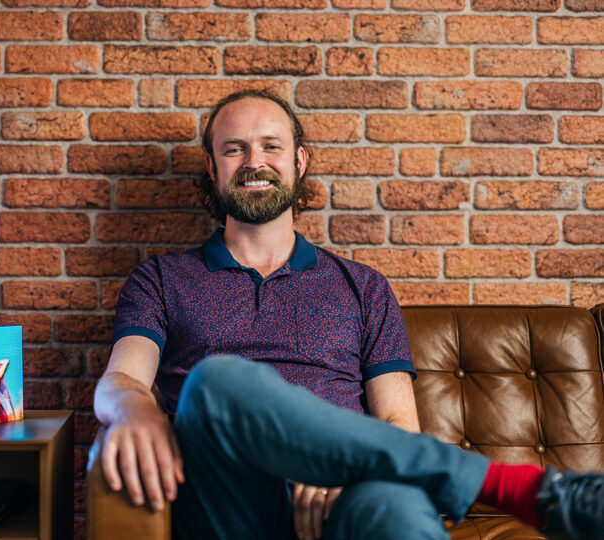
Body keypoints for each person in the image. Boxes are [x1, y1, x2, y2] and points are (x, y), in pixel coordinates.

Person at [93, 90, 604, 540]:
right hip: (226, 496)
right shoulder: (161, 279)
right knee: (215, 381)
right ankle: (506, 486)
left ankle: (508, 491)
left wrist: (339, 465)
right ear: (213, 168)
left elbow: (399, 423)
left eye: (271, 146)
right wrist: (133, 409)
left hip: (339, 496)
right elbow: (121, 378)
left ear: (300, 160)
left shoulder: (362, 287)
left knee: (397, 505)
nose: (255, 161)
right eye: (235, 148)